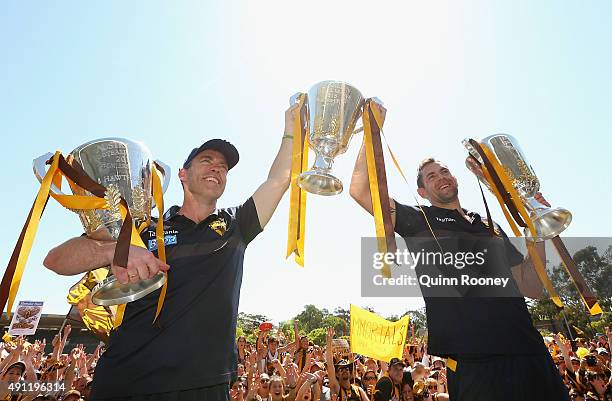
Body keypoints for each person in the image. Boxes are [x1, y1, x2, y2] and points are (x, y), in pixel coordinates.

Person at [43, 106, 299, 400]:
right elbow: (56, 260)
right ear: (182, 174)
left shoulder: (236, 225)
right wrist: (118, 250)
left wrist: (291, 128)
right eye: (207, 160)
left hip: (205, 385)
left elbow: (279, 179)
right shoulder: (143, 227)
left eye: (224, 167)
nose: (218, 168)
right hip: (126, 379)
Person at [349, 115, 570, 401]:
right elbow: (360, 190)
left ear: (455, 178)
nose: (441, 177)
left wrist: (535, 226)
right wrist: (372, 131)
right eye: (431, 176)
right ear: (422, 191)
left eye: (444, 171)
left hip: (529, 352)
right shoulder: (419, 221)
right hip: (474, 363)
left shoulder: (490, 225)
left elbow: (531, 287)